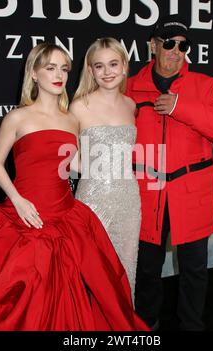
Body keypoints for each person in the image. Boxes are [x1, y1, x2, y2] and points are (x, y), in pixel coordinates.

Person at [0, 42, 149, 331]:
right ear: (34, 74)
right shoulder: (18, 117)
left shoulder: (70, 119)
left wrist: (114, 167)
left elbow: (72, 164)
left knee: (76, 292)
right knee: (30, 295)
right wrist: (18, 200)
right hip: (26, 212)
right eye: (50, 68)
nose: (58, 74)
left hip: (65, 213)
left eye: (63, 68)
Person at [126, 15, 213, 330]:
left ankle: (191, 326)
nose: (176, 50)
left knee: (194, 270)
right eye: (169, 43)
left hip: (192, 194)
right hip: (147, 195)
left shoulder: (204, 85)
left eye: (183, 45)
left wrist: (179, 106)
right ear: (153, 45)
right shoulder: (130, 87)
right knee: (147, 270)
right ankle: (146, 326)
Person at [69, 38, 140, 300]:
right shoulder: (78, 107)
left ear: (124, 67)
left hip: (129, 201)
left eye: (113, 64)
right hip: (92, 202)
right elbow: (64, 156)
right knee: (91, 274)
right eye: (99, 66)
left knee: (125, 269)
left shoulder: (131, 106)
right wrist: (94, 172)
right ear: (90, 70)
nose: (107, 71)